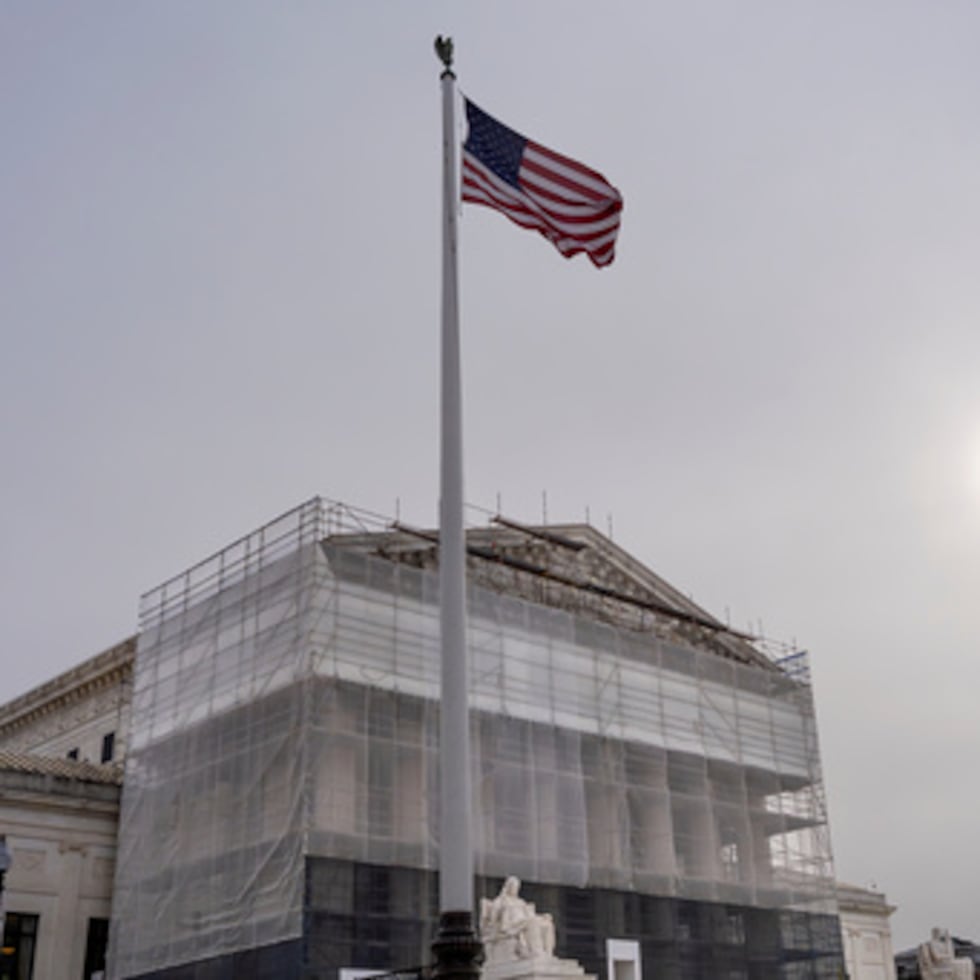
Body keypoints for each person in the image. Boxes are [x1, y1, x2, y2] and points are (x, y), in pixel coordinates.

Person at [480, 876, 556, 961]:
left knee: (547, 924)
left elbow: (530, 915)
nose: (514, 889)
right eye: (513, 886)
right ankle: (537, 952)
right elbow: (493, 917)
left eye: (516, 887)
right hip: (511, 925)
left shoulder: (520, 901)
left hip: (523, 922)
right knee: (531, 922)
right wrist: (501, 906)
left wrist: (542, 917)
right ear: (508, 887)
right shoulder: (501, 901)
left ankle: (548, 954)